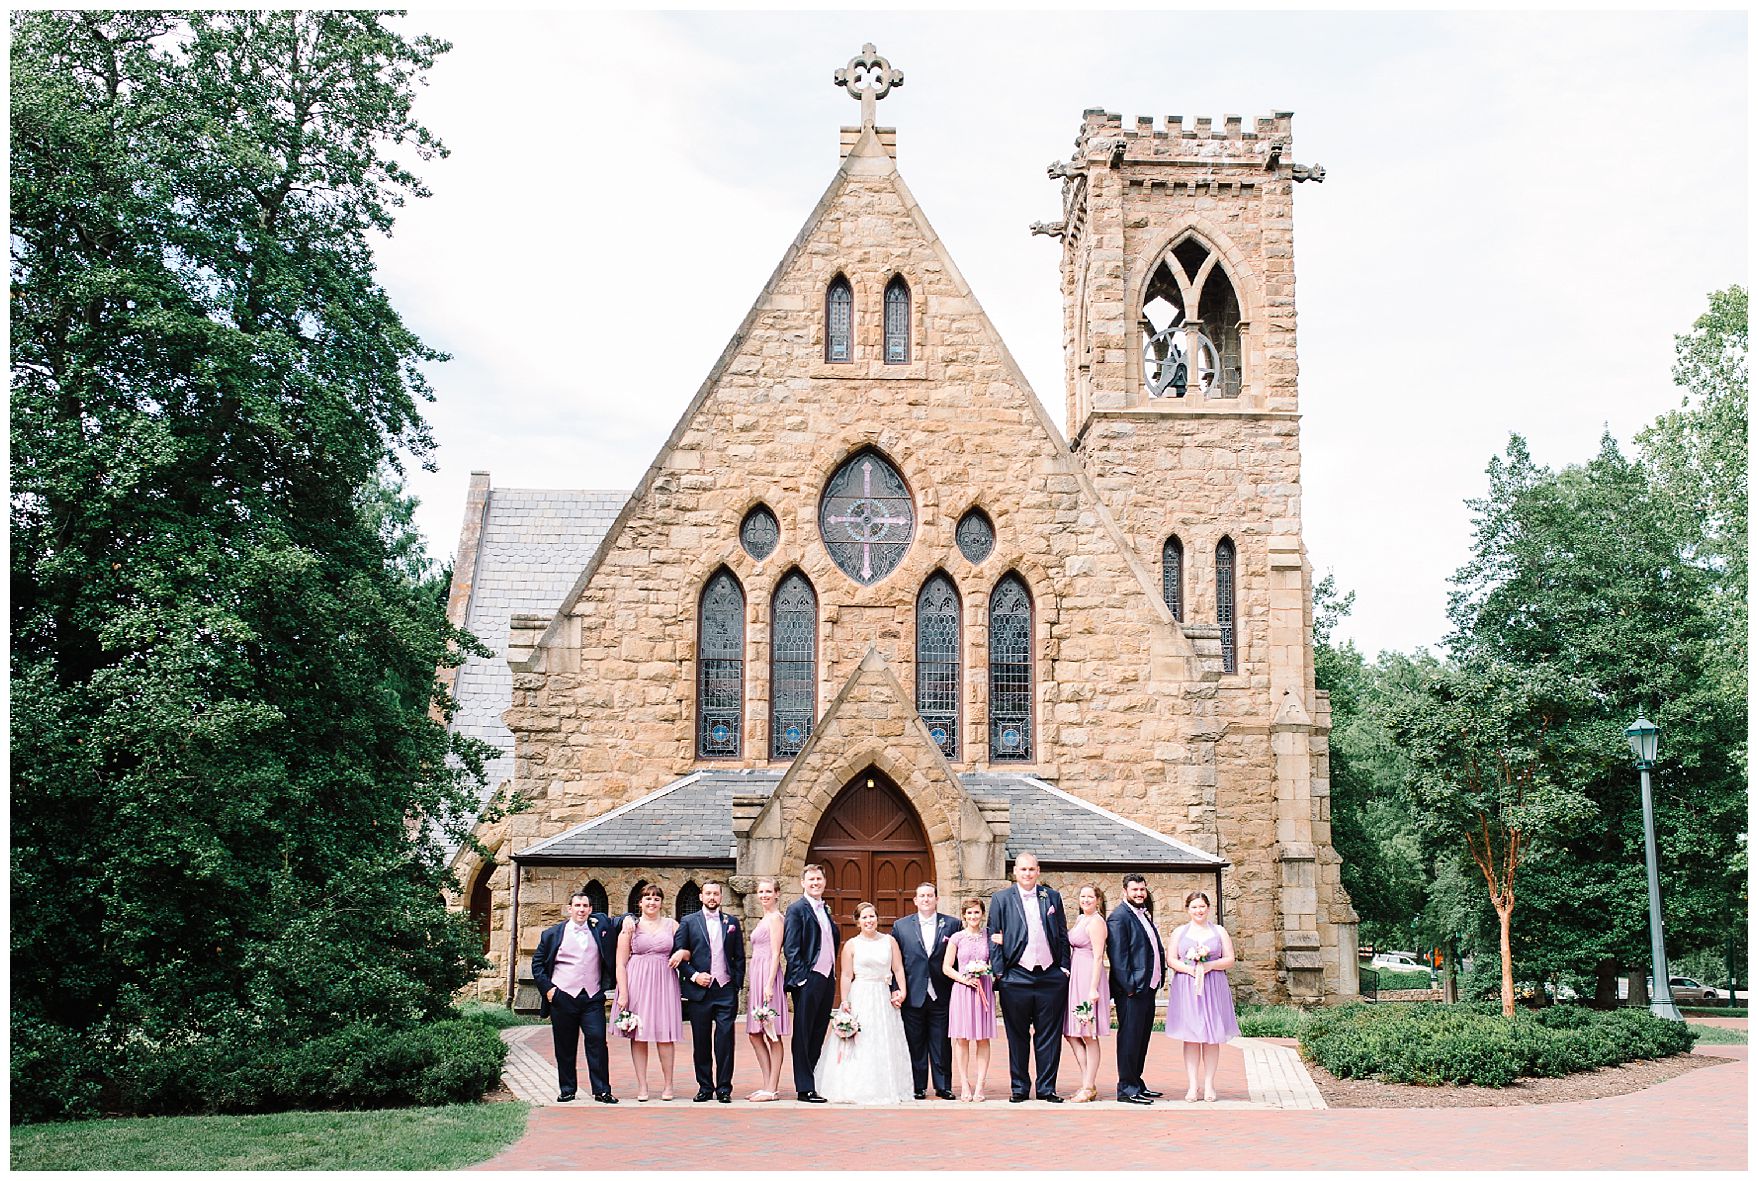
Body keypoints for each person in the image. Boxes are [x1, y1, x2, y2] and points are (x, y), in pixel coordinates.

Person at [987, 851, 1071, 1102]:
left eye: (1032, 869)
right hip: (1016, 977)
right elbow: (994, 937)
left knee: (1049, 1036)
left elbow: (1062, 934)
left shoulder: (1051, 897)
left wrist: (1064, 968)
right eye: (1023, 870)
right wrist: (1001, 974)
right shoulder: (1001, 899)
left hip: (1049, 977)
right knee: (1018, 1035)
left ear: (1038, 871)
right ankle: (1020, 1088)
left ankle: (1047, 1088)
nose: (1027, 874)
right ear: (1015, 872)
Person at [814, 901, 914, 1104]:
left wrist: (901, 990)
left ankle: (886, 1086)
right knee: (861, 1040)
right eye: (865, 917)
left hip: (883, 996)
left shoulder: (889, 941)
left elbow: (898, 969)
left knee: (883, 1040)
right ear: (857, 922)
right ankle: (855, 1086)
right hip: (861, 994)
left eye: (872, 916)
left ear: (877, 918)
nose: (869, 920)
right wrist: (845, 1001)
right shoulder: (852, 944)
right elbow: (846, 975)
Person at [530, 890, 620, 1104]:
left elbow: (620, 920)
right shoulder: (552, 934)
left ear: (590, 910)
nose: (581, 910)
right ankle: (568, 1089)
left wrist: (629, 920)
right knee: (565, 1045)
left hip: (591, 997)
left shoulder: (600, 928)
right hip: (563, 996)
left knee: (597, 1041)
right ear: (569, 909)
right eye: (577, 906)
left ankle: (602, 1090)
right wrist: (550, 990)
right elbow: (537, 965)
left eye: (585, 906)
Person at [670, 880, 745, 1103]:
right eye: (708, 894)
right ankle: (705, 1086)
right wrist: (694, 976)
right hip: (699, 992)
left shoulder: (731, 922)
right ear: (701, 897)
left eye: (716, 894)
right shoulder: (688, 922)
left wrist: (735, 984)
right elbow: (679, 955)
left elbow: (739, 956)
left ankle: (724, 1088)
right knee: (701, 1042)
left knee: (725, 1041)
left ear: (721, 897)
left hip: (725, 990)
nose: (712, 897)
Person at [1165, 889, 1240, 1102]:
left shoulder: (1219, 931)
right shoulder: (1180, 932)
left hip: (1213, 985)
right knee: (1191, 1037)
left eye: (1202, 906)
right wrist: (1190, 970)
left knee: (1210, 1036)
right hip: (1187, 986)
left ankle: (1209, 1085)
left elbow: (1230, 959)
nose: (1199, 910)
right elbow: (1171, 959)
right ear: (1188, 910)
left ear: (1208, 908)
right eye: (1194, 907)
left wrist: (1209, 965)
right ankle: (1192, 1085)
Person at [613, 883, 684, 1101]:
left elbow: (688, 948)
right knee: (639, 1035)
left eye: (656, 898)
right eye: (647, 898)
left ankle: (668, 1085)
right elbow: (620, 963)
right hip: (637, 982)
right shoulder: (630, 927)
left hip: (664, 981)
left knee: (665, 1035)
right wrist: (623, 992)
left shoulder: (672, 925)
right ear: (640, 903)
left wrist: (682, 952)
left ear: (662, 902)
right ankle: (642, 1086)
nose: (652, 902)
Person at [891, 882, 959, 1100]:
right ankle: (917, 1086)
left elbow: (957, 959)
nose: (926, 899)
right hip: (913, 992)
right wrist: (896, 989)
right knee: (915, 1041)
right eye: (922, 896)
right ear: (915, 900)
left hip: (942, 991)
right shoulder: (901, 926)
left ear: (937, 899)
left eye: (930, 895)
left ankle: (943, 1085)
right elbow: (895, 962)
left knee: (941, 1042)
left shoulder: (952, 924)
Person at [1107, 872, 1166, 1105]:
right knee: (1130, 1039)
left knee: (1141, 1039)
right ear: (1125, 891)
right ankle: (1126, 1087)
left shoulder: (1143, 914)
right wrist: (1130, 987)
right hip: (1132, 991)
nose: (1140, 893)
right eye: (1135, 890)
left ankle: (1136, 1081)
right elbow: (1118, 958)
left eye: (1142, 889)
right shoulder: (1119, 917)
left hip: (1147, 988)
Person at [782, 863, 838, 1103]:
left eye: (819, 879)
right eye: (811, 880)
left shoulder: (825, 909)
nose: (815, 883)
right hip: (809, 978)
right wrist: (802, 977)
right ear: (803, 883)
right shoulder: (796, 909)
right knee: (803, 1033)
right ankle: (804, 1088)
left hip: (827, 979)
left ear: (824, 882)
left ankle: (813, 1079)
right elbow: (791, 947)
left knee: (818, 1031)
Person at [942, 896, 997, 1102]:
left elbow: (996, 962)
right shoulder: (956, 938)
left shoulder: (990, 936)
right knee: (962, 1039)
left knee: (982, 1038)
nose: (973, 916)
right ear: (964, 916)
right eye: (969, 912)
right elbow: (947, 967)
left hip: (983, 988)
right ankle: (965, 1083)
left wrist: (987, 971)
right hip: (963, 990)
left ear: (982, 914)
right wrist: (964, 979)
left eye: (977, 912)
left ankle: (980, 1085)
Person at [1062, 883, 1111, 1102]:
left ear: (1098, 899)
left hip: (1089, 977)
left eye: (1090, 896)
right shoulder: (1081, 919)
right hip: (1076, 976)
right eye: (1082, 896)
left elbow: (1099, 957)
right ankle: (1086, 1083)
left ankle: (1089, 1085)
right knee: (1072, 1032)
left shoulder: (1097, 922)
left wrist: (1093, 988)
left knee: (1088, 1034)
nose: (1086, 900)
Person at [743, 877, 789, 1101]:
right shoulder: (764, 918)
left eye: (768, 891)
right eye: (761, 892)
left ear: (777, 894)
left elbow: (775, 953)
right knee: (755, 1033)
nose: (764, 895)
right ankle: (766, 1083)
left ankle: (772, 1088)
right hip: (757, 974)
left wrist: (769, 984)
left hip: (768, 977)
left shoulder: (776, 919)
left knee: (772, 1033)